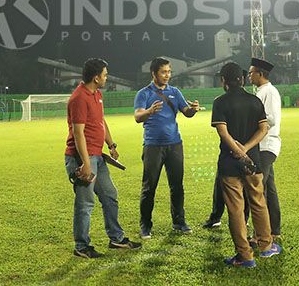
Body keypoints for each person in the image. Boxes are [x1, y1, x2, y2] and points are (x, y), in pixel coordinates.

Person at [64, 58, 141, 258]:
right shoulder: (79, 98)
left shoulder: (96, 94)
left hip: (97, 155)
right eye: (105, 74)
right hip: (83, 158)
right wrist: (86, 164)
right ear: (96, 77)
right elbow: (78, 133)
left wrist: (111, 144)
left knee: (109, 195)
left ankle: (116, 238)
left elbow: (100, 121)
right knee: (85, 202)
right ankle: (81, 246)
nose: (107, 77)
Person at [211, 62, 281, 268]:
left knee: (236, 209)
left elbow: (223, 133)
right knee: (259, 203)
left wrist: (237, 150)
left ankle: (245, 256)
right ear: (241, 79)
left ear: (224, 81)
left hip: (229, 163)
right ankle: (266, 247)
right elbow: (263, 129)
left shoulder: (220, 102)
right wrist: (247, 149)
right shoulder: (255, 101)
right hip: (253, 162)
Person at [134, 57, 201, 239]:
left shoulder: (175, 91)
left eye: (169, 72)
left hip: (174, 145)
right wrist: (149, 111)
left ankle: (179, 222)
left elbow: (186, 111)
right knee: (149, 188)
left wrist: (193, 109)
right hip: (153, 146)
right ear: (154, 73)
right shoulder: (144, 93)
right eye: (163, 72)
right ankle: (145, 226)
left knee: (177, 186)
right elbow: (138, 116)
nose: (167, 75)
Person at [248, 57, 283, 240]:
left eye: (251, 72)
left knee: (257, 189)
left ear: (260, 74)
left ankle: (259, 235)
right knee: (269, 189)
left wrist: (249, 125)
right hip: (263, 145)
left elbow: (270, 119)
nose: (249, 75)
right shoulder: (262, 91)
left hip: (266, 145)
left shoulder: (268, 92)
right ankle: (274, 231)